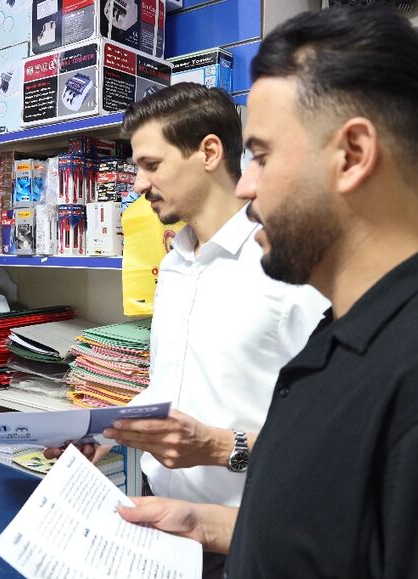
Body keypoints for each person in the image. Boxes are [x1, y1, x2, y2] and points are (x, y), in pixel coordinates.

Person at [118, 6, 418, 577]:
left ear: (353, 155)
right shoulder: (345, 333)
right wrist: (200, 525)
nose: (245, 185)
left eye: (262, 157)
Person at [47, 83, 328, 577]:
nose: (137, 184)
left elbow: (327, 431)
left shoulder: (288, 266)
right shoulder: (176, 261)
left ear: (209, 152)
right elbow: (166, 385)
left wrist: (223, 445)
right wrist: (104, 434)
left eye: (151, 165)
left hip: (246, 534)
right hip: (160, 519)